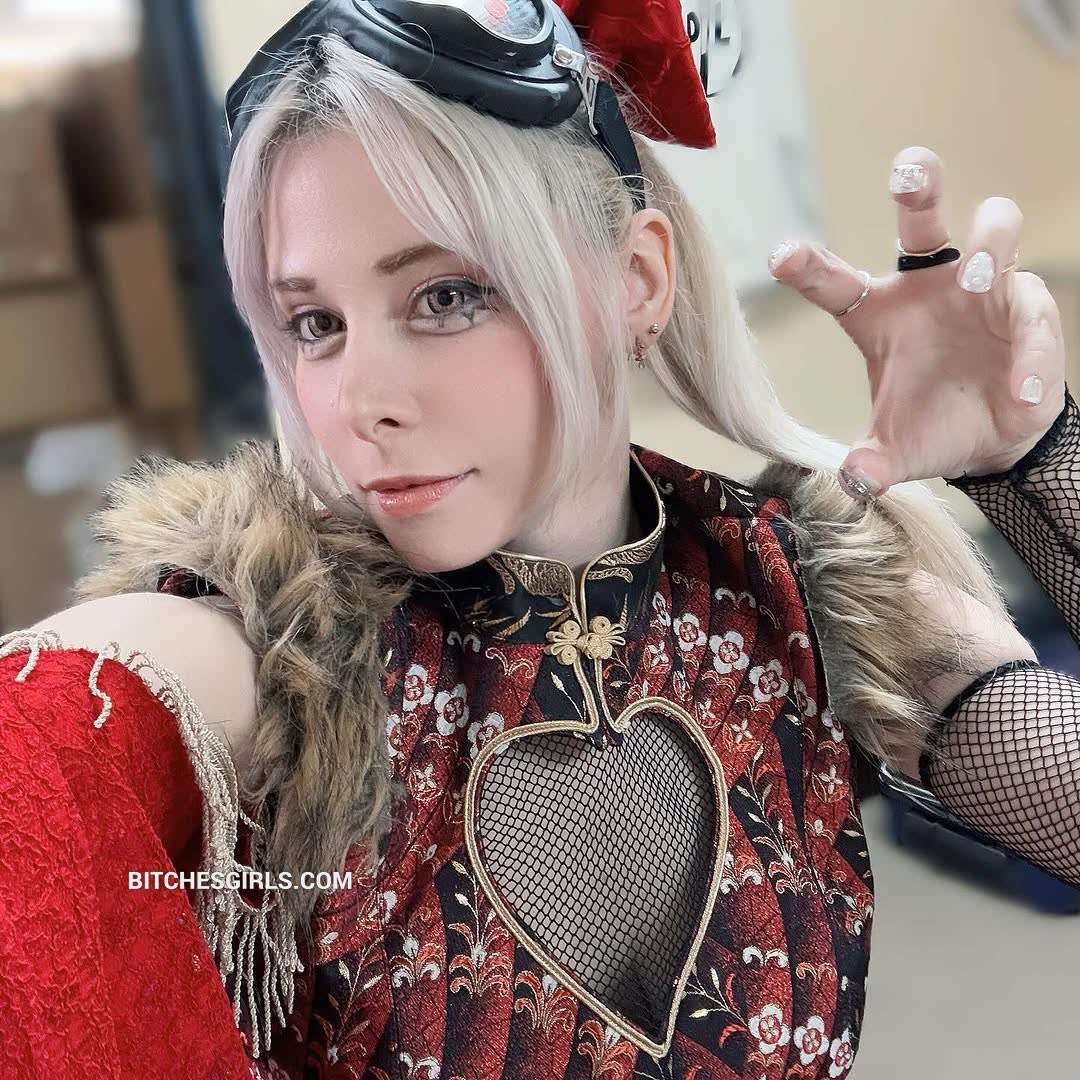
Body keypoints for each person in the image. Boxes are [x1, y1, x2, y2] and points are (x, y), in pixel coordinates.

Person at [2, 1, 1077, 1076]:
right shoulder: (283, 657)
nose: (360, 401)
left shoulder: (795, 588)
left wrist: (1033, 459)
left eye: (446, 295)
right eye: (314, 324)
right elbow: (47, 732)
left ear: (636, 282)